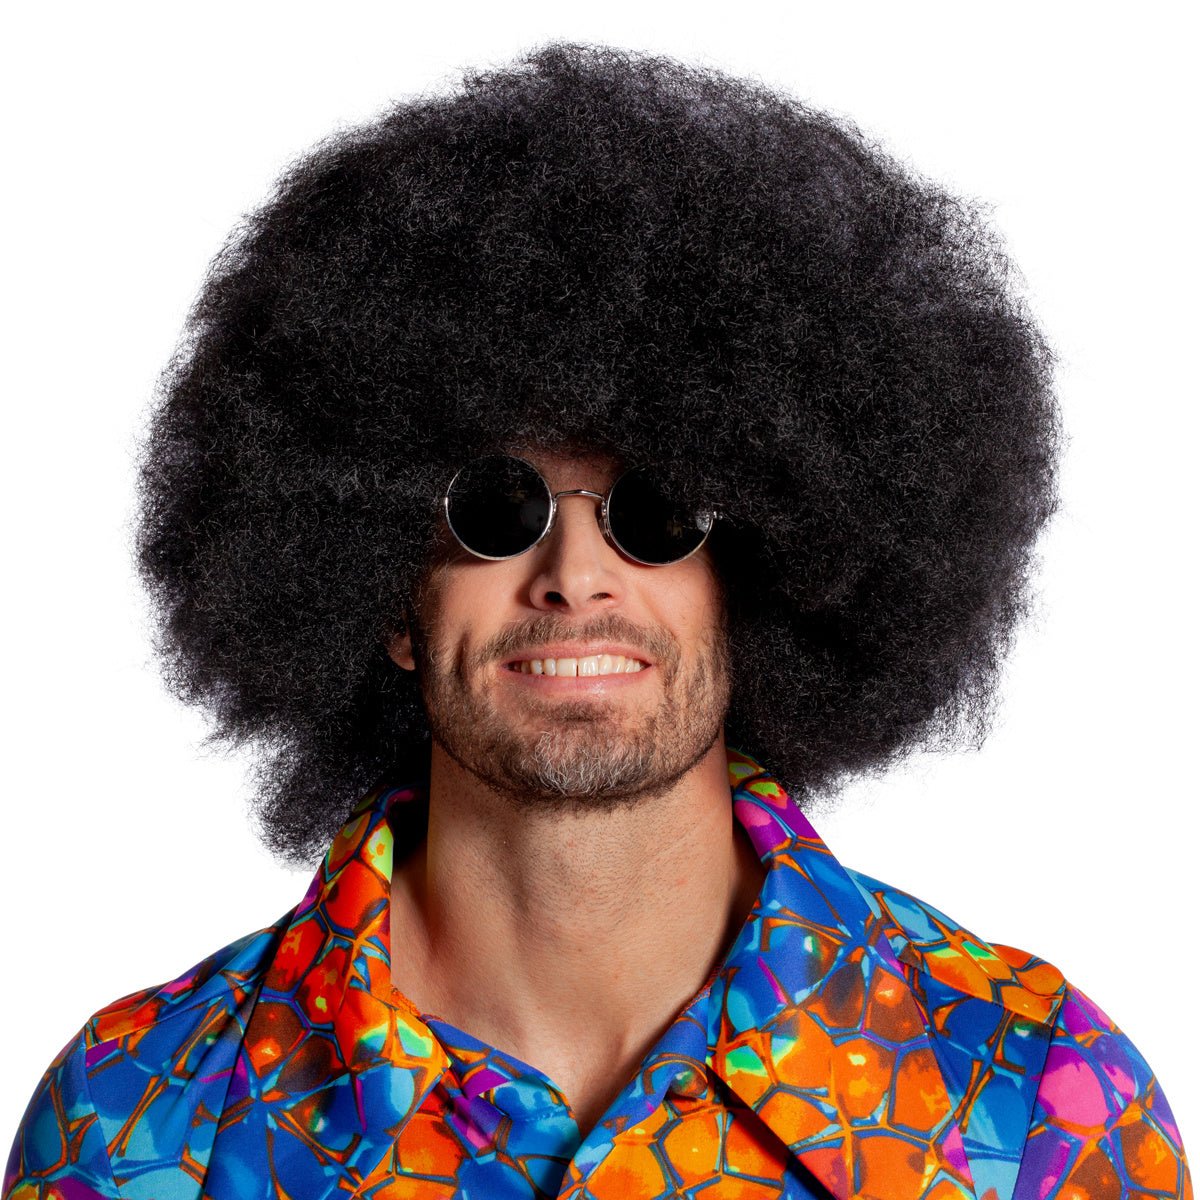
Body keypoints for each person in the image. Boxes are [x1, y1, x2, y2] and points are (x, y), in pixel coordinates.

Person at [4, 41, 1190, 1200]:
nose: (575, 576)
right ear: (382, 589)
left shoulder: (1037, 1107)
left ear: (761, 577)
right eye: (494, 510)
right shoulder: (137, 1125)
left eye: (655, 512)